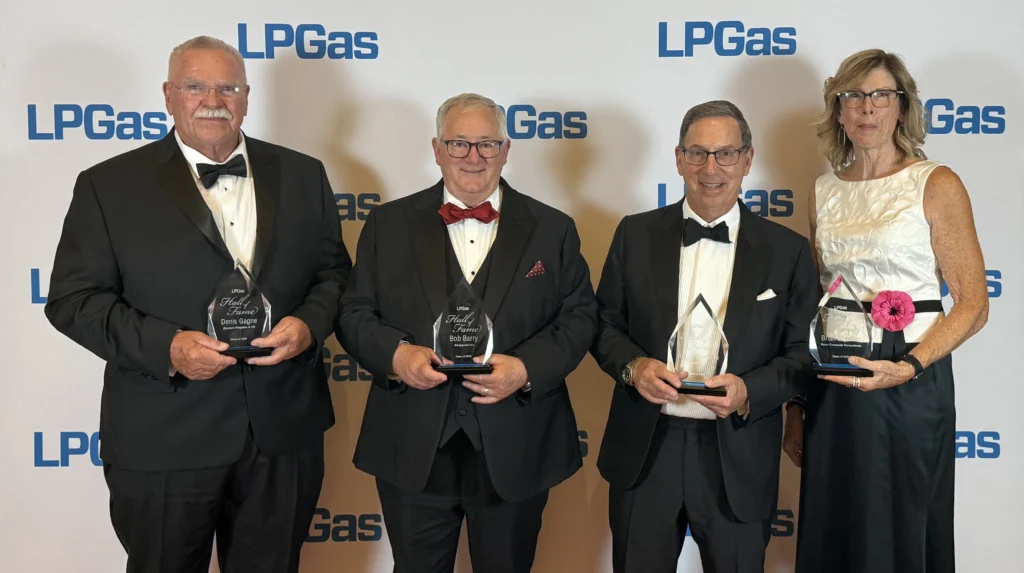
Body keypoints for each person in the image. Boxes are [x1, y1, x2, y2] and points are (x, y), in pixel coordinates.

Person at [44, 35, 351, 573]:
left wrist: (308, 325)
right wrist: (169, 347)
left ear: (247, 96)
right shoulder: (108, 186)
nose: (214, 99)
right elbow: (73, 300)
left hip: (281, 432)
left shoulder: (305, 174)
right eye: (195, 85)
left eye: (228, 86)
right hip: (165, 434)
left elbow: (333, 275)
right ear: (168, 94)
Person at [338, 92, 596, 573]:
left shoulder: (553, 229)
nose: (474, 157)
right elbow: (353, 313)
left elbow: (580, 317)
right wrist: (396, 357)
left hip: (517, 441)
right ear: (436, 149)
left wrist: (525, 369)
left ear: (506, 149)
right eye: (459, 144)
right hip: (412, 442)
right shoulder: (386, 225)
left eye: (487, 144)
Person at [784, 49, 989, 573]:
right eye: (853, 96)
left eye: (880, 95)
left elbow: (973, 303)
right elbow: (816, 300)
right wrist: (796, 407)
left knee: (904, 520)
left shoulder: (936, 182)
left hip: (910, 373)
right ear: (837, 109)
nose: (867, 108)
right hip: (835, 374)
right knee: (836, 517)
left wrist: (913, 365)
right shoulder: (822, 191)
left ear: (902, 107)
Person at [591, 100, 817, 573]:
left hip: (736, 452)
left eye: (725, 154)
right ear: (678, 159)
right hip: (646, 449)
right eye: (697, 153)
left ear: (748, 160)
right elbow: (603, 324)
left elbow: (801, 356)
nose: (710, 168)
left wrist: (748, 391)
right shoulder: (634, 234)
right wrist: (635, 368)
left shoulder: (788, 251)